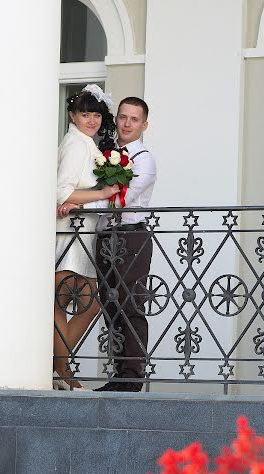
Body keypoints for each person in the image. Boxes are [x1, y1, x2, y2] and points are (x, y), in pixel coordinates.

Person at [54, 84, 119, 389]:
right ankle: (61, 370)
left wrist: (89, 198)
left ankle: (58, 368)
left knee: (82, 302)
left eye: (95, 114)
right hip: (70, 236)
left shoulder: (86, 144)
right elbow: (62, 190)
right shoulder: (77, 144)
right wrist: (102, 192)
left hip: (83, 234)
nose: (91, 120)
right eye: (84, 113)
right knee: (70, 301)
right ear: (73, 115)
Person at [94, 97, 157, 392]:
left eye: (134, 119)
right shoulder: (105, 153)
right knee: (110, 302)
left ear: (144, 124)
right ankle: (118, 372)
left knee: (131, 303)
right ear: (116, 119)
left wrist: (79, 201)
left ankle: (132, 377)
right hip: (107, 236)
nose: (127, 124)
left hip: (132, 236)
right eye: (123, 117)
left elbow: (122, 198)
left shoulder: (144, 159)